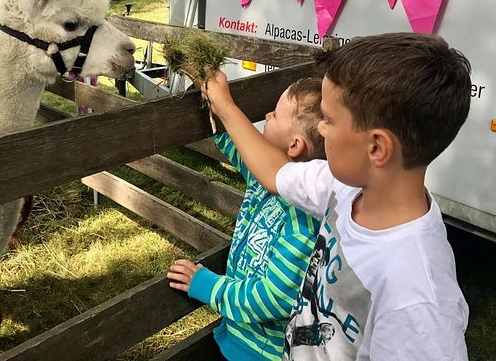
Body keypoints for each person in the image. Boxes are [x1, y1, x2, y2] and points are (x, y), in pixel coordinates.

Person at [200, 33, 471, 361]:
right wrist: (225, 108)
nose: (321, 130)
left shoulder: (419, 299)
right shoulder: (343, 187)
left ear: (376, 148)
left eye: (329, 120)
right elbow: (275, 173)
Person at [167, 77, 325, 361]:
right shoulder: (261, 176)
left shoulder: (304, 223)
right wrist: (206, 93)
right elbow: (235, 140)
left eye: (275, 115)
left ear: (295, 145)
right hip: (236, 337)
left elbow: (273, 298)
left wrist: (205, 285)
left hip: (262, 352)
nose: (266, 116)